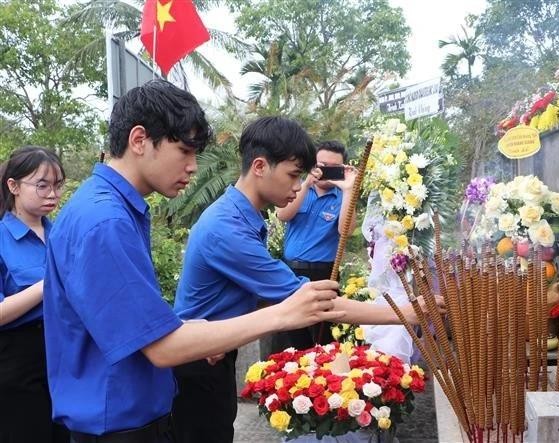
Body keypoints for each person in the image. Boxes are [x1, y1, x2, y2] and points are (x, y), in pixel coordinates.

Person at [42, 80, 342, 442]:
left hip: (130, 410)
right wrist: (283, 313)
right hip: (119, 421)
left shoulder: (109, 208)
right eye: (184, 151)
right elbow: (163, 347)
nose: (193, 167)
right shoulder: (104, 221)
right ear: (139, 140)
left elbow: (129, 317)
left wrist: (198, 331)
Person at [172, 116, 436, 442]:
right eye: (293, 175)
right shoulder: (227, 230)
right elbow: (314, 303)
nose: (298, 186)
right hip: (197, 365)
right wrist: (405, 313)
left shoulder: (240, 214)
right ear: (259, 166)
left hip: (213, 351)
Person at [0, 146, 69, 443]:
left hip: (64, 355)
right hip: (18, 362)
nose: (51, 193)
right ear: (13, 186)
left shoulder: (61, 233)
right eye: (42, 185)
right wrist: (47, 285)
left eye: (57, 185)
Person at [270, 140, 356, 352]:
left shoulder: (342, 195)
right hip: (291, 272)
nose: (325, 171)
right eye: (321, 165)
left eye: (332, 167)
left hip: (324, 274)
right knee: (291, 337)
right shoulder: (299, 188)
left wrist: (348, 190)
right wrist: (307, 183)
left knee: (323, 339)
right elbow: (283, 214)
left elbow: (345, 231)